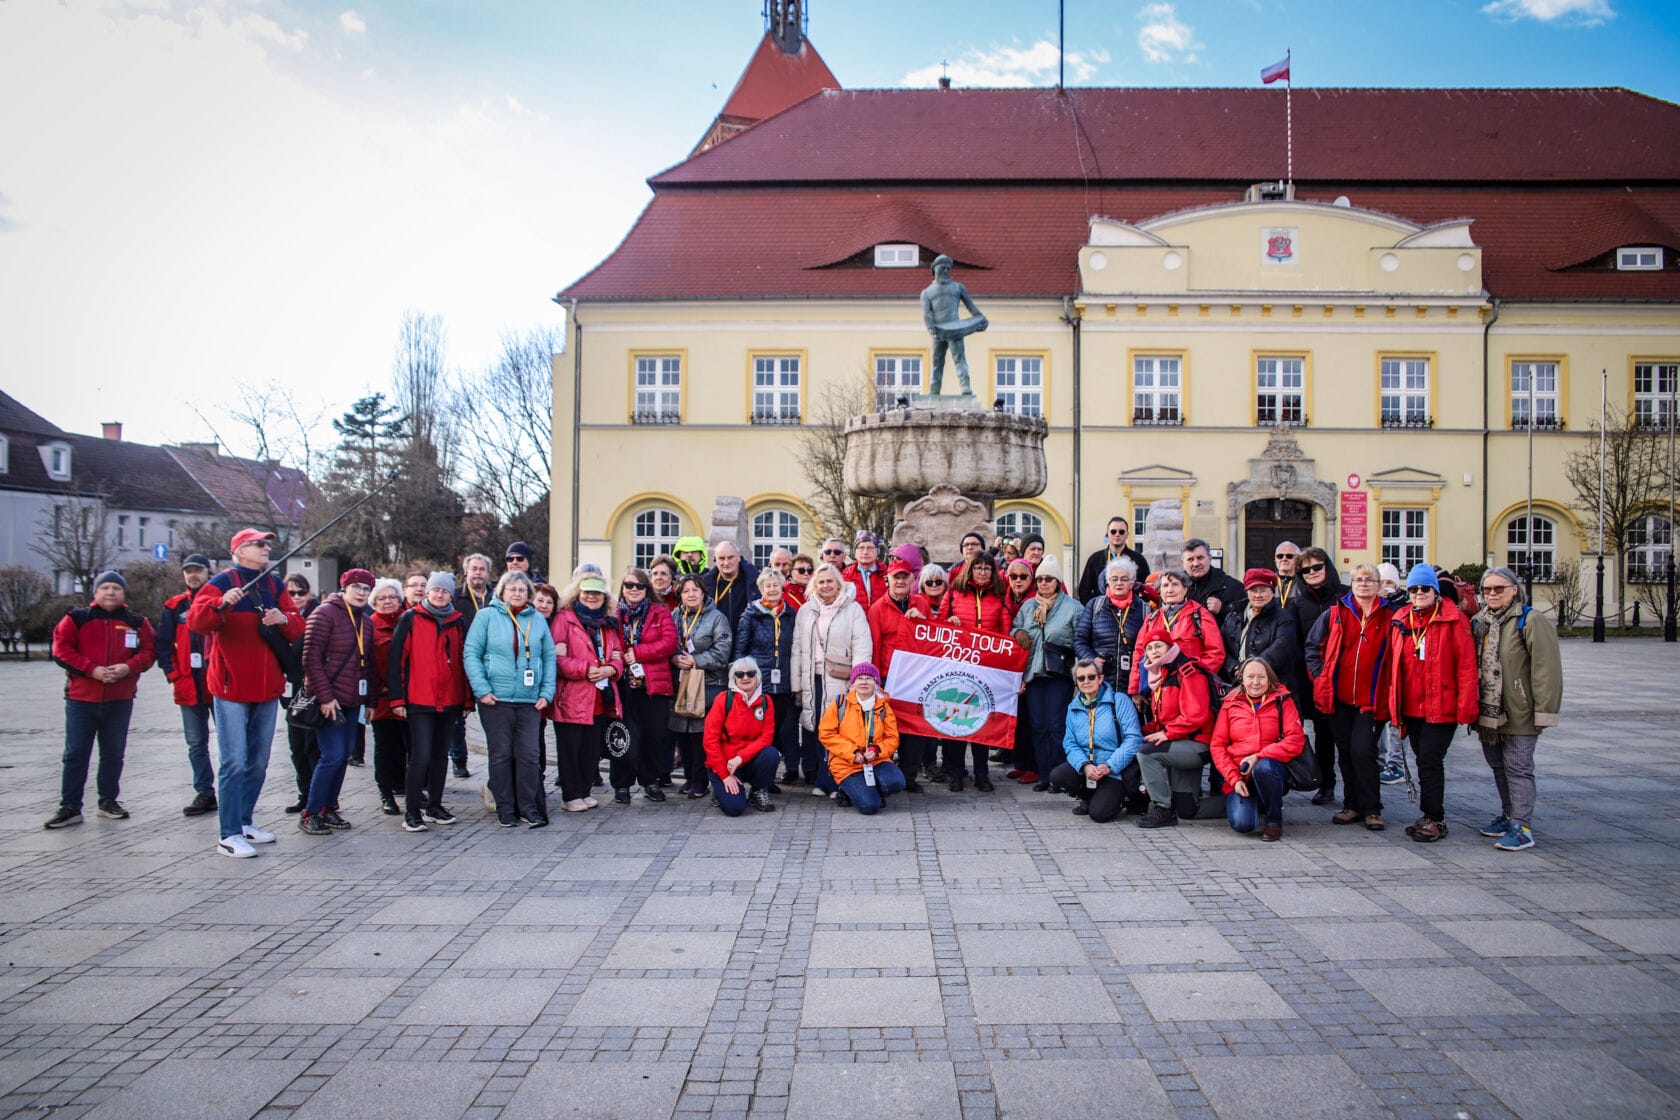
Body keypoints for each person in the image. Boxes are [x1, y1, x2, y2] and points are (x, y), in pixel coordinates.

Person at [188, 528, 304, 858]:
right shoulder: (221, 582)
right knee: (234, 762)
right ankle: (228, 834)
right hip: (231, 687)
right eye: (258, 544)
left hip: (267, 687)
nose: (266, 548)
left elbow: (298, 627)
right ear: (239, 551)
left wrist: (282, 617)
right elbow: (196, 621)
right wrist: (220, 605)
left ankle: (244, 821)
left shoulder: (274, 584)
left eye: (267, 544)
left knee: (258, 762)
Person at [44, 572, 157, 829]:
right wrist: (91, 669)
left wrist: (128, 668)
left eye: (116, 588)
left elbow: (149, 652)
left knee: (113, 753)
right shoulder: (77, 618)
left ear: (123, 593)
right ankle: (70, 807)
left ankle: (108, 801)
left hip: (120, 698)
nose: (110, 592)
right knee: (75, 753)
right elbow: (61, 649)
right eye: (105, 587)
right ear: (95, 593)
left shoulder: (136, 622)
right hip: (82, 698)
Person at [1470, 566, 1562, 852]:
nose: (1493, 594)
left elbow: (1546, 669)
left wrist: (1545, 711)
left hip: (1520, 710)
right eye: (1487, 589)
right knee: (1498, 765)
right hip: (1488, 710)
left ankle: (1522, 826)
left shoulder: (1531, 621)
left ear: (1514, 589)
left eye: (1499, 588)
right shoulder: (1479, 621)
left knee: (1518, 768)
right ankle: (1509, 814)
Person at [1385, 565, 1477, 843]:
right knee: (1423, 760)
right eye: (1413, 589)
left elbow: (1467, 666)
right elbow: (1393, 666)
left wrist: (1467, 708)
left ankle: (1435, 817)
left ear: (1435, 592)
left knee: (1429, 760)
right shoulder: (1402, 619)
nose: (1419, 593)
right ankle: (1429, 815)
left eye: (1425, 588)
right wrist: (1394, 707)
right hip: (1412, 707)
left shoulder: (1454, 619)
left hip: (1442, 705)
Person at [1304, 563, 1395, 831]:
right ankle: (1352, 804)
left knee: (1363, 751)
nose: (1363, 584)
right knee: (1344, 751)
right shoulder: (1336, 613)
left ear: (1378, 585)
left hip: (1371, 698)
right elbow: (1313, 645)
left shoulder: (1390, 615)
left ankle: (1372, 808)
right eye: (1358, 580)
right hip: (1339, 697)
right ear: (1351, 583)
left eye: (1369, 580)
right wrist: (1321, 676)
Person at [466, 571, 556, 827]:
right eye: (512, 589)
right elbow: (471, 653)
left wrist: (546, 692)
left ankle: (528, 807)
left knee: (529, 755)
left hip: (529, 701)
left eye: (522, 589)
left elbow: (549, 657)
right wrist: (482, 689)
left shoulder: (537, 620)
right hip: (496, 699)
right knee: (501, 755)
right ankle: (505, 807)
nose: (517, 593)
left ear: (529, 594)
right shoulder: (486, 617)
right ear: (502, 592)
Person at [387, 572, 471, 833]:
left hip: (450, 700)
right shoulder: (410, 618)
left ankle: (434, 805)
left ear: (450, 595)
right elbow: (397, 660)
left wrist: (467, 700)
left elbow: (463, 661)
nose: (439, 595)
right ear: (427, 592)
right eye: (435, 590)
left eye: (444, 592)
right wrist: (397, 698)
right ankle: (412, 811)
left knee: (440, 755)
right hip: (419, 700)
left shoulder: (458, 621)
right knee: (420, 754)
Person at [295, 568, 375, 836]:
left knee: (342, 757)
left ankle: (328, 807)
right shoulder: (324, 613)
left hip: (354, 699)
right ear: (344, 588)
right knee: (331, 756)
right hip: (330, 699)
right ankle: (311, 812)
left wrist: (370, 700)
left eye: (366, 589)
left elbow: (369, 664)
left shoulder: (367, 619)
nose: (362, 593)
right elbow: (310, 659)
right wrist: (326, 697)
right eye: (357, 587)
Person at [792, 563, 872, 793]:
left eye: (830, 581)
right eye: (821, 581)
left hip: (841, 679)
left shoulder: (853, 609)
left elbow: (862, 645)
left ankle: (837, 781)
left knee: (839, 731)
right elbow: (797, 648)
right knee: (814, 728)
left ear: (839, 583)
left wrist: (859, 681)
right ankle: (820, 778)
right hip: (812, 679)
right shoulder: (806, 610)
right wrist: (797, 684)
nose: (826, 585)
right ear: (814, 585)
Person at [1210, 658, 1307, 841]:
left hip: (1270, 768)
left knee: (1264, 767)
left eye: (1261, 677)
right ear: (1242, 679)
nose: (1256, 682)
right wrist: (1234, 778)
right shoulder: (1230, 703)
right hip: (1240, 774)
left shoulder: (1282, 700)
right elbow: (1218, 745)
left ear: (1269, 679)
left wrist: (1258, 756)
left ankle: (1273, 820)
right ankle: (1259, 801)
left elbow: (1296, 739)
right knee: (1242, 824)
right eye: (1250, 677)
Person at [1133, 637, 1220, 828]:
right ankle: (1248, 802)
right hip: (1180, 741)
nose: (1154, 651)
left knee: (1146, 753)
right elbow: (1164, 719)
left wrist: (1167, 734)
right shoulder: (1163, 674)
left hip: (1197, 743)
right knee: (1188, 810)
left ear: (1170, 647)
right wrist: (1136, 731)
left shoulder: (1187, 671)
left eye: (1158, 646)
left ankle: (1162, 809)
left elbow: (1196, 715)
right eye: (1149, 648)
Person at [1012, 556, 1080, 793]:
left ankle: (1060, 774)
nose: (1043, 583)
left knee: (1056, 725)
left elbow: (1080, 639)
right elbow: (1014, 628)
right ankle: (1044, 774)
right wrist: (1018, 630)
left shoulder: (1072, 607)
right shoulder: (1029, 606)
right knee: (1038, 727)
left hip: (1058, 675)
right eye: (1040, 579)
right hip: (1033, 674)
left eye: (1049, 579)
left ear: (1057, 581)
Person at [157, 553, 217, 817]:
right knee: (196, 743)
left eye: (198, 571)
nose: (193, 575)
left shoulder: (218, 601)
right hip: (187, 686)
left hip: (216, 684)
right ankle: (204, 791)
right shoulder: (174, 606)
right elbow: (162, 644)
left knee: (229, 743)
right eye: (188, 571)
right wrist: (173, 674)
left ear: (208, 572)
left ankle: (231, 790)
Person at [1048, 657, 1143, 822]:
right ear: (1076, 682)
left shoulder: (1119, 700)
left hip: (1114, 769)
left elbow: (1133, 739)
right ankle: (1088, 797)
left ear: (1101, 678)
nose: (1086, 681)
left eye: (1091, 677)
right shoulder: (1073, 706)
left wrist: (1110, 766)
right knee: (1057, 776)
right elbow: (1070, 742)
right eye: (1081, 678)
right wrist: (1084, 765)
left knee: (1099, 815)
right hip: (1089, 766)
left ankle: (1124, 798)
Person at [867, 559, 932, 792]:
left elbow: (934, 639)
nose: (900, 581)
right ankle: (887, 772)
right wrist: (874, 681)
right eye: (896, 577)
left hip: (916, 677)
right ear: (887, 580)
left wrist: (923, 622)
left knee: (915, 729)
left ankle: (910, 775)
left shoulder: (922, 604)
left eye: (905, 577)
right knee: (887, 727)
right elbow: (874, 644)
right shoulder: (877, 608)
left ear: (912, 580)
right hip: (888, 677)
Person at [733, 569, 801, 789]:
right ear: (761, 589)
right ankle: (760, 779)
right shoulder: (750, 614)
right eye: (767, 586)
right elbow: (740, 650)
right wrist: (740, 680)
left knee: (776, 730)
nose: (772, 589)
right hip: (757, 682)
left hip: (782, 683)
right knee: (758, 732)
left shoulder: (791, 614)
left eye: (775, 585)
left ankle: (767, 776)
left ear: (783, 588)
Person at [1287, 546, 1343, 805]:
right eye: (1305, 570)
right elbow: (1294, 642)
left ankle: (1357, 790)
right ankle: (1326, 784)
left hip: (1343, 676)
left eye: (1316, 567)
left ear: (1327, 567)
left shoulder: (1345, 596)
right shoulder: (1297, 603)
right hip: (1311, 678)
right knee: (1322, 733)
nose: (1311, 573)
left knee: (1347, 737)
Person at [669, 574, 732, 799]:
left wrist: (696, 660)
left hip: (708, 682)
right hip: (681, 681)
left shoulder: (717, 618)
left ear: (703, 592)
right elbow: (667, 644)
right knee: (682, 733)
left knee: (700, 735)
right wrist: (675, 658)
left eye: (695, 590)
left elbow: (722, 652)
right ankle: (688, 777)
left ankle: (701, 780)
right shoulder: (675, 615)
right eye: (686, 591)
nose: (691, 594)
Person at [618, 567, 679, 790]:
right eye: (629, 585)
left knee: (654, 737)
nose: (634, 589)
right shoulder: (615, 614)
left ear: (647, 588)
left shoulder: (659, 612)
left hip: (653, 685)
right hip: (624, 685)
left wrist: (639, 653)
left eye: (639, 585)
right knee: (623, 736)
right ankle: (622, 784)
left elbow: (670, 642)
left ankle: (650, 781)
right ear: (622, 588)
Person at [819, 663, 907, 814]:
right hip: (846, 763)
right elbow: (826, 734)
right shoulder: (840, 703)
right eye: (860, 678)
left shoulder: (884, 707)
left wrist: (876, 750)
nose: (864, 682)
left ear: (876, 683)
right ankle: (847, 791)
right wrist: (852, 753)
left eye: (869, 678)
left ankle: (871, 790)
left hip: (876, 760)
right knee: (870, 807)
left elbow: (892, 738)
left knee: (896, 782)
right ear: (853, 683)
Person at [1128, 569, 1226, 692]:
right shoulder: (1151, 619)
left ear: (1185, 589)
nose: (1170, 590)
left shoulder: (1200, 615)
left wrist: (1197, 678)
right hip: (1158, 691)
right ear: (1159, 590)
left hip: (1191, 690)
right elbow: (1139, 654)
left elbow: (1215, 653)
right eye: (1165, 585)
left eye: (1175, 584)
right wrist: (1135, 689)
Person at [704, 658, 780, 814]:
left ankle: (758, 791)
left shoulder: (766, 701)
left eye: (750, 673)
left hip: (746, 760)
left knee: (771, 754)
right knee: (735, 808)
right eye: (740, 674)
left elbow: (766, 737)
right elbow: (710, 740)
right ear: (734, 678)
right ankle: (718, 789)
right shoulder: (723, 699)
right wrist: (725, 775)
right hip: (724, 764)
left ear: (757, 676)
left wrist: (741, 757)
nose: (745, 678)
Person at [1218, 569, 1302, 694]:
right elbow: (1222, 646)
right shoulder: (1233, 615)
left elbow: (1282, 647)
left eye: (1263, 590)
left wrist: (1251, 670)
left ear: (1272, 592)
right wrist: (1234, 667)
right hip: (1237, 683)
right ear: (1246, 592)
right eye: (1253, 590)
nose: (1258, 595)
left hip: (1272, 684)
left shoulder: (1284, 617)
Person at [449, 552, 495, 779]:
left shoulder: (497, 596)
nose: (478, 573)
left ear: (488, 573)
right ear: (466, 571)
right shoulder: (455, 597)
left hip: (491, 665)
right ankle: (459, 759)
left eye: (482, 569)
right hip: (461, 662)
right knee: (458, 715)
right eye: (474, 568)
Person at [1074, 557, 1147, 696]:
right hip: (1099, 681)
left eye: (1124, 579)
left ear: (1132, 583)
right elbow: (1079, 639)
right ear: (1108, 582)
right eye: (1114, 579)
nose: (1119, 583)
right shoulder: (1095, 606)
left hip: (1131, 684)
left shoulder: (1144, 609)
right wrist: (1092, 660)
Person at [368, 578, 409, 816]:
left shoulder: (410, 620)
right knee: (385, 747)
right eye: (382, 598)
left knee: (410, 746)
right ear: (374, 602)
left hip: (409, 698)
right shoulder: (369, 625)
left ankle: (406, 786)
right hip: (383, 700)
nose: (387, 602)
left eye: (392, 597)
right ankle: (386, 793)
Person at [280, 573, 320, 815]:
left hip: (313, 688)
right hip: (290, 688)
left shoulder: (317, 614)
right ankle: (304, 793)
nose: (296, 598)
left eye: (301, 592)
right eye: (290, 593)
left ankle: (319, 797)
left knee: (313, 747)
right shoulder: (279, 615)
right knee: (296, 747)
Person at [921, 254, 988, 394]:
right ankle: (934, 390)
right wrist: (931, 329)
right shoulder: (927, 293)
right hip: (937, 332)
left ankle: (965, 387)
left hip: (955, 330)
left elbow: (971, 307)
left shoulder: (958, 287)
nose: (946, 270)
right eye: (942, 267)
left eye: (948, 267)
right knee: (937, 363)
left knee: (960, 359)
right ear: (935, 269)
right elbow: (927, 314)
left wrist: (980, 319)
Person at [1077, 516, 1151, 601]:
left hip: (1130, 610)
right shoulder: (1095, 559)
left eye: (1121, 532)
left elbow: (1147, 589)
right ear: (1107, 533)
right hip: (1101, 611)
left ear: (1127, 534)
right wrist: (1095, 607)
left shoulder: (1138, 560)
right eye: (1113, 531)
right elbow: (1083, 590)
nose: (1117, 534)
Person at [531, 582, 562, 774]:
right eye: (540, 600)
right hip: (531, 692)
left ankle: (538, 776)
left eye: (549, 602)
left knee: (539, 735)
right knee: (533, 737)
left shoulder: (557, 625)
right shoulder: (526, 623)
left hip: (553, 690)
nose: (544, 605)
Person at [1182, 539, 1245, 628]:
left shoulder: (1232, 587)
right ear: (1183, 563)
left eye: (1200, 558)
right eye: (1190, 559)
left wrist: (1223, 609)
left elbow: (1246, 619)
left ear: (1210, 558)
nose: (1196, 563)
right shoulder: (1175, 588)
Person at [703, 541, 760, 635]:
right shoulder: (705, 584)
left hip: (747, 641)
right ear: (715, 560)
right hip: (717, 641)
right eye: (721, 558)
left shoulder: (755, 581)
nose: (726, 562)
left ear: (738, 557)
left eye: (730, 557)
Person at [943, 552, 1008, 634]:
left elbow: (1006, 630)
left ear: (993, 571)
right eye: (978, 568)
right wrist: (948, 622)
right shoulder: (954, 591)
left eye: (987, 569)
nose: (983, 573)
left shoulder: (1001, 594)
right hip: (961, 644)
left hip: (989, 645)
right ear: (970, 569)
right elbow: (939, 625)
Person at [842, 530, 887, 610]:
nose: (865, 552)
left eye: (870, 548)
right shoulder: (846, 576)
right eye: (861, 548)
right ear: (855, 552)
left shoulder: (887, 574)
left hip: (881, 621)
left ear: (877, 551)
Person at [1273, 542, 1302, 608]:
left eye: (1289, 556)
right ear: (1275, 560)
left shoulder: (1305, 582)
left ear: (1298, 560)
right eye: (1280, 556)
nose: (1284, 559)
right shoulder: (1268, 582)